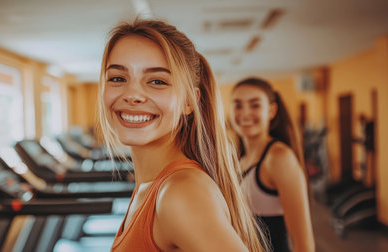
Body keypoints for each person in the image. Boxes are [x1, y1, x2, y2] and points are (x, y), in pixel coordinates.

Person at [97, 19, 267, 251]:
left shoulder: (179, 192)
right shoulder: (151, 186)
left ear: (189, 102)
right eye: (118, 78)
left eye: (157, 81)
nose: (132, 94)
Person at [230, 77, 315, 252]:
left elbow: (304, 243)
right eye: (238, 105)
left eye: (255, 105)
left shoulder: (279, 158)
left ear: (271, 110)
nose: (245, 113)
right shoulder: (241, 158)